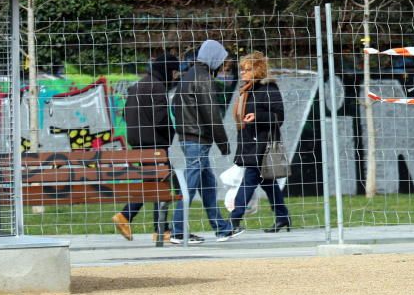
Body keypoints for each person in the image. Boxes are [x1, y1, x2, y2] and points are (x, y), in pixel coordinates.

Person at [170, 39, 238, 244]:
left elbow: (175, 106)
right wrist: (224, 143)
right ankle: (178, 231)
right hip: (198, 139)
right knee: (190, 185)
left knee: (208, 184)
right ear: (213, 58)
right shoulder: (204, 79)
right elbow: (212, 115)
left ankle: (222, 228)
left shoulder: (188, 76)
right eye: (221, 60)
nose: (222, 65)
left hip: (188, 138)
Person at [218, 51, 291, 241]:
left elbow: (279, 117)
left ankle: (234, 219)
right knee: (268, 182)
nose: (242, 73)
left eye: (247, 69)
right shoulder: (247, 90)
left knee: (249, 181)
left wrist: (257, 117)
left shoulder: (269, 89)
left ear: (258, 70)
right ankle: (282, 216)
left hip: (262, 146)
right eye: (241, 69)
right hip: (250, 143)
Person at [111, 52, 180, 244]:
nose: (175, 77)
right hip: (154, 144)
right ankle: (135, 219)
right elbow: (161, 119)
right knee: (165, 182)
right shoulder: (156, 87)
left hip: (138, 142)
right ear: (167, 70)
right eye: (174, 73)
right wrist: (171, 134)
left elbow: (125, 114)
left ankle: (155, 227)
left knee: (155, 183)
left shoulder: (138, 85)